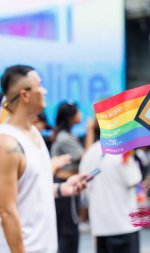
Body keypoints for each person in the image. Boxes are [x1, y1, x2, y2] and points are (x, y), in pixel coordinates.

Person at [0, 64, 87, 253]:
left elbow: (30, 189)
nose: (45, 90)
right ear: (25, 95)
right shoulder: (7, 143)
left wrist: (62, 189)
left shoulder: (34, 133)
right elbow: (6, 211)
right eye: (40, 85)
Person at [79, 119, 142, 253]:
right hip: (125, 225)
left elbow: (83, 188)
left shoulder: (88, 154)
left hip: (100, 228)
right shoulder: (121, 151)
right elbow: (134, 179)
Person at [51, 101, 84, 253]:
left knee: (67, 228)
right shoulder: (65, 138)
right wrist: (90, 130)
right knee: (68, 231)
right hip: (64, 186)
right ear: (70, 117)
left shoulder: (66, 135)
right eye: (77, 112)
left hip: (65, 184)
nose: (81, 115)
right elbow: (85, 156)